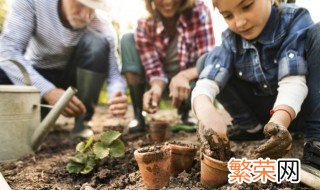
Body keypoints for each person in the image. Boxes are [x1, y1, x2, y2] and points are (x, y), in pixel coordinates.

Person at [192, 0, 320, 171]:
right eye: (228, 16)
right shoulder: (231, 38)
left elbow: (293, 80)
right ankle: (252, 129)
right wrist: (206, 111)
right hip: (265, 115)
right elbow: (206, 83)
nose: (239, 22)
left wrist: (279, 121)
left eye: (246, 6)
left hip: (301, 109)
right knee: (205, 62)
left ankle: (316, 140)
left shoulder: (294, 19)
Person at [0, 0, 128, 139]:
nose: (86, 16)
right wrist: (47, 90)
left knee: (97, 43)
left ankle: (82, 122)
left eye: (93, 8)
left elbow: (114, 75)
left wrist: (117, 93)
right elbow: (8, 51)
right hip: (37, 75)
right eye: (81, 4)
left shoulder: (101, 25)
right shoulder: (32, 3)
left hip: (73, 80)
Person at [121, 0, 215, 133]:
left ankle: (185, 113)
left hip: (189, 83)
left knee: (208, 78)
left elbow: (207, 60)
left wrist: (183, 76)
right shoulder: (144, 24)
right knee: (127, 39)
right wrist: (156, 88)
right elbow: (153, 69)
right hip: (160, 84)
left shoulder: (199, 11)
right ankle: (138, 114)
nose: (168, 1)